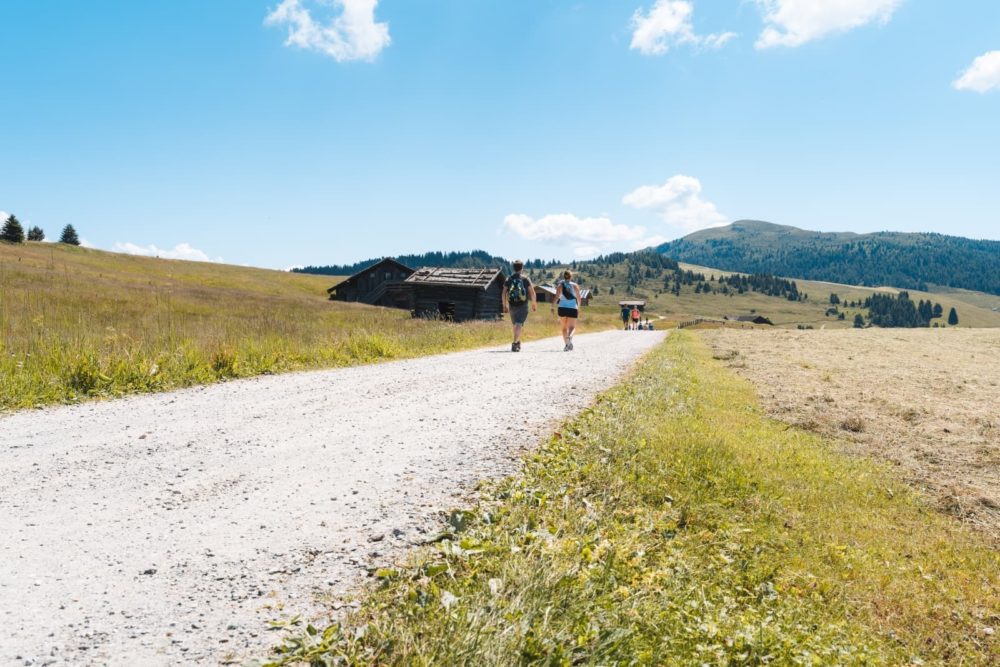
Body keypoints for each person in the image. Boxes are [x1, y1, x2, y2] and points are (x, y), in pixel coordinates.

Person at [501, 260, 536, 352]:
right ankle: (515, 342)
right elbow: (532, 293)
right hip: (523, 304)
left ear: (513, 267)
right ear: (522, 267)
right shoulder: (525, 279)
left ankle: (517, 342)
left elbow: (503, 293)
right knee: (519, 324)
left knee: (515, 324)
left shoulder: (509, 279)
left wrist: (504, 305)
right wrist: (533, 304)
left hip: (512, 304)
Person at [553, 270, 582, 351]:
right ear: (571, 277)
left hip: (562, 308)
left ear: (564, 277)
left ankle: (567, 345)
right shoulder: (575, 285)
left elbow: (556, 297)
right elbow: (579, 298)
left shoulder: (560, 286)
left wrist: (552, 306)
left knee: (564, 328)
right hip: (573, 308)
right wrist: (578, 307)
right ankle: (569, 337)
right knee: (572, 328)